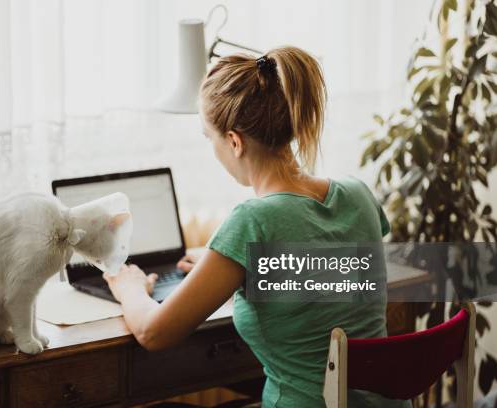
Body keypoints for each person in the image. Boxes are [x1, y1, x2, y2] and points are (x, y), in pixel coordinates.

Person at [103, 46, 410, 408]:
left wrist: (129, 288)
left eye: (209, 137)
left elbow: (152, 333)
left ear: (234, 141)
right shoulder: (358, 194)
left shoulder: (252, 222)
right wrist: (229, 263)